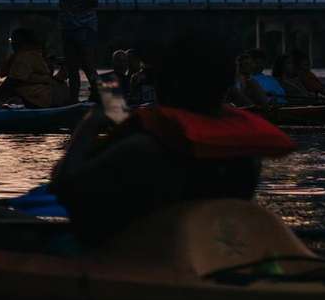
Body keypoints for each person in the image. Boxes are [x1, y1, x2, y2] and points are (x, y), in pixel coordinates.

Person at [49, 31, 295, 245]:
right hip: (213, 249)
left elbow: (65, 191)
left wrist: (90, 123)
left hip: (146, 256)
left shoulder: (142, 149)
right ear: (225, 87)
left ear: (166, 84)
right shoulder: (247, 154)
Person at [6, 0, 100, 101]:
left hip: (83, 27)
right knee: (73, 66)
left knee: (86, 64)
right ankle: (74, 100)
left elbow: (93, 2)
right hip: (69, 27)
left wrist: (76, 4)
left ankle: (97, 95)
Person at [0, 28, 64, 108]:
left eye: (14, 41)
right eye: (11, 41)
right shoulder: (25, 55)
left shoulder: (25, 56)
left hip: (41, 97)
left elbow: (12, 81)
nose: (12, 44)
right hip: (48, 95)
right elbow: (3, 73)